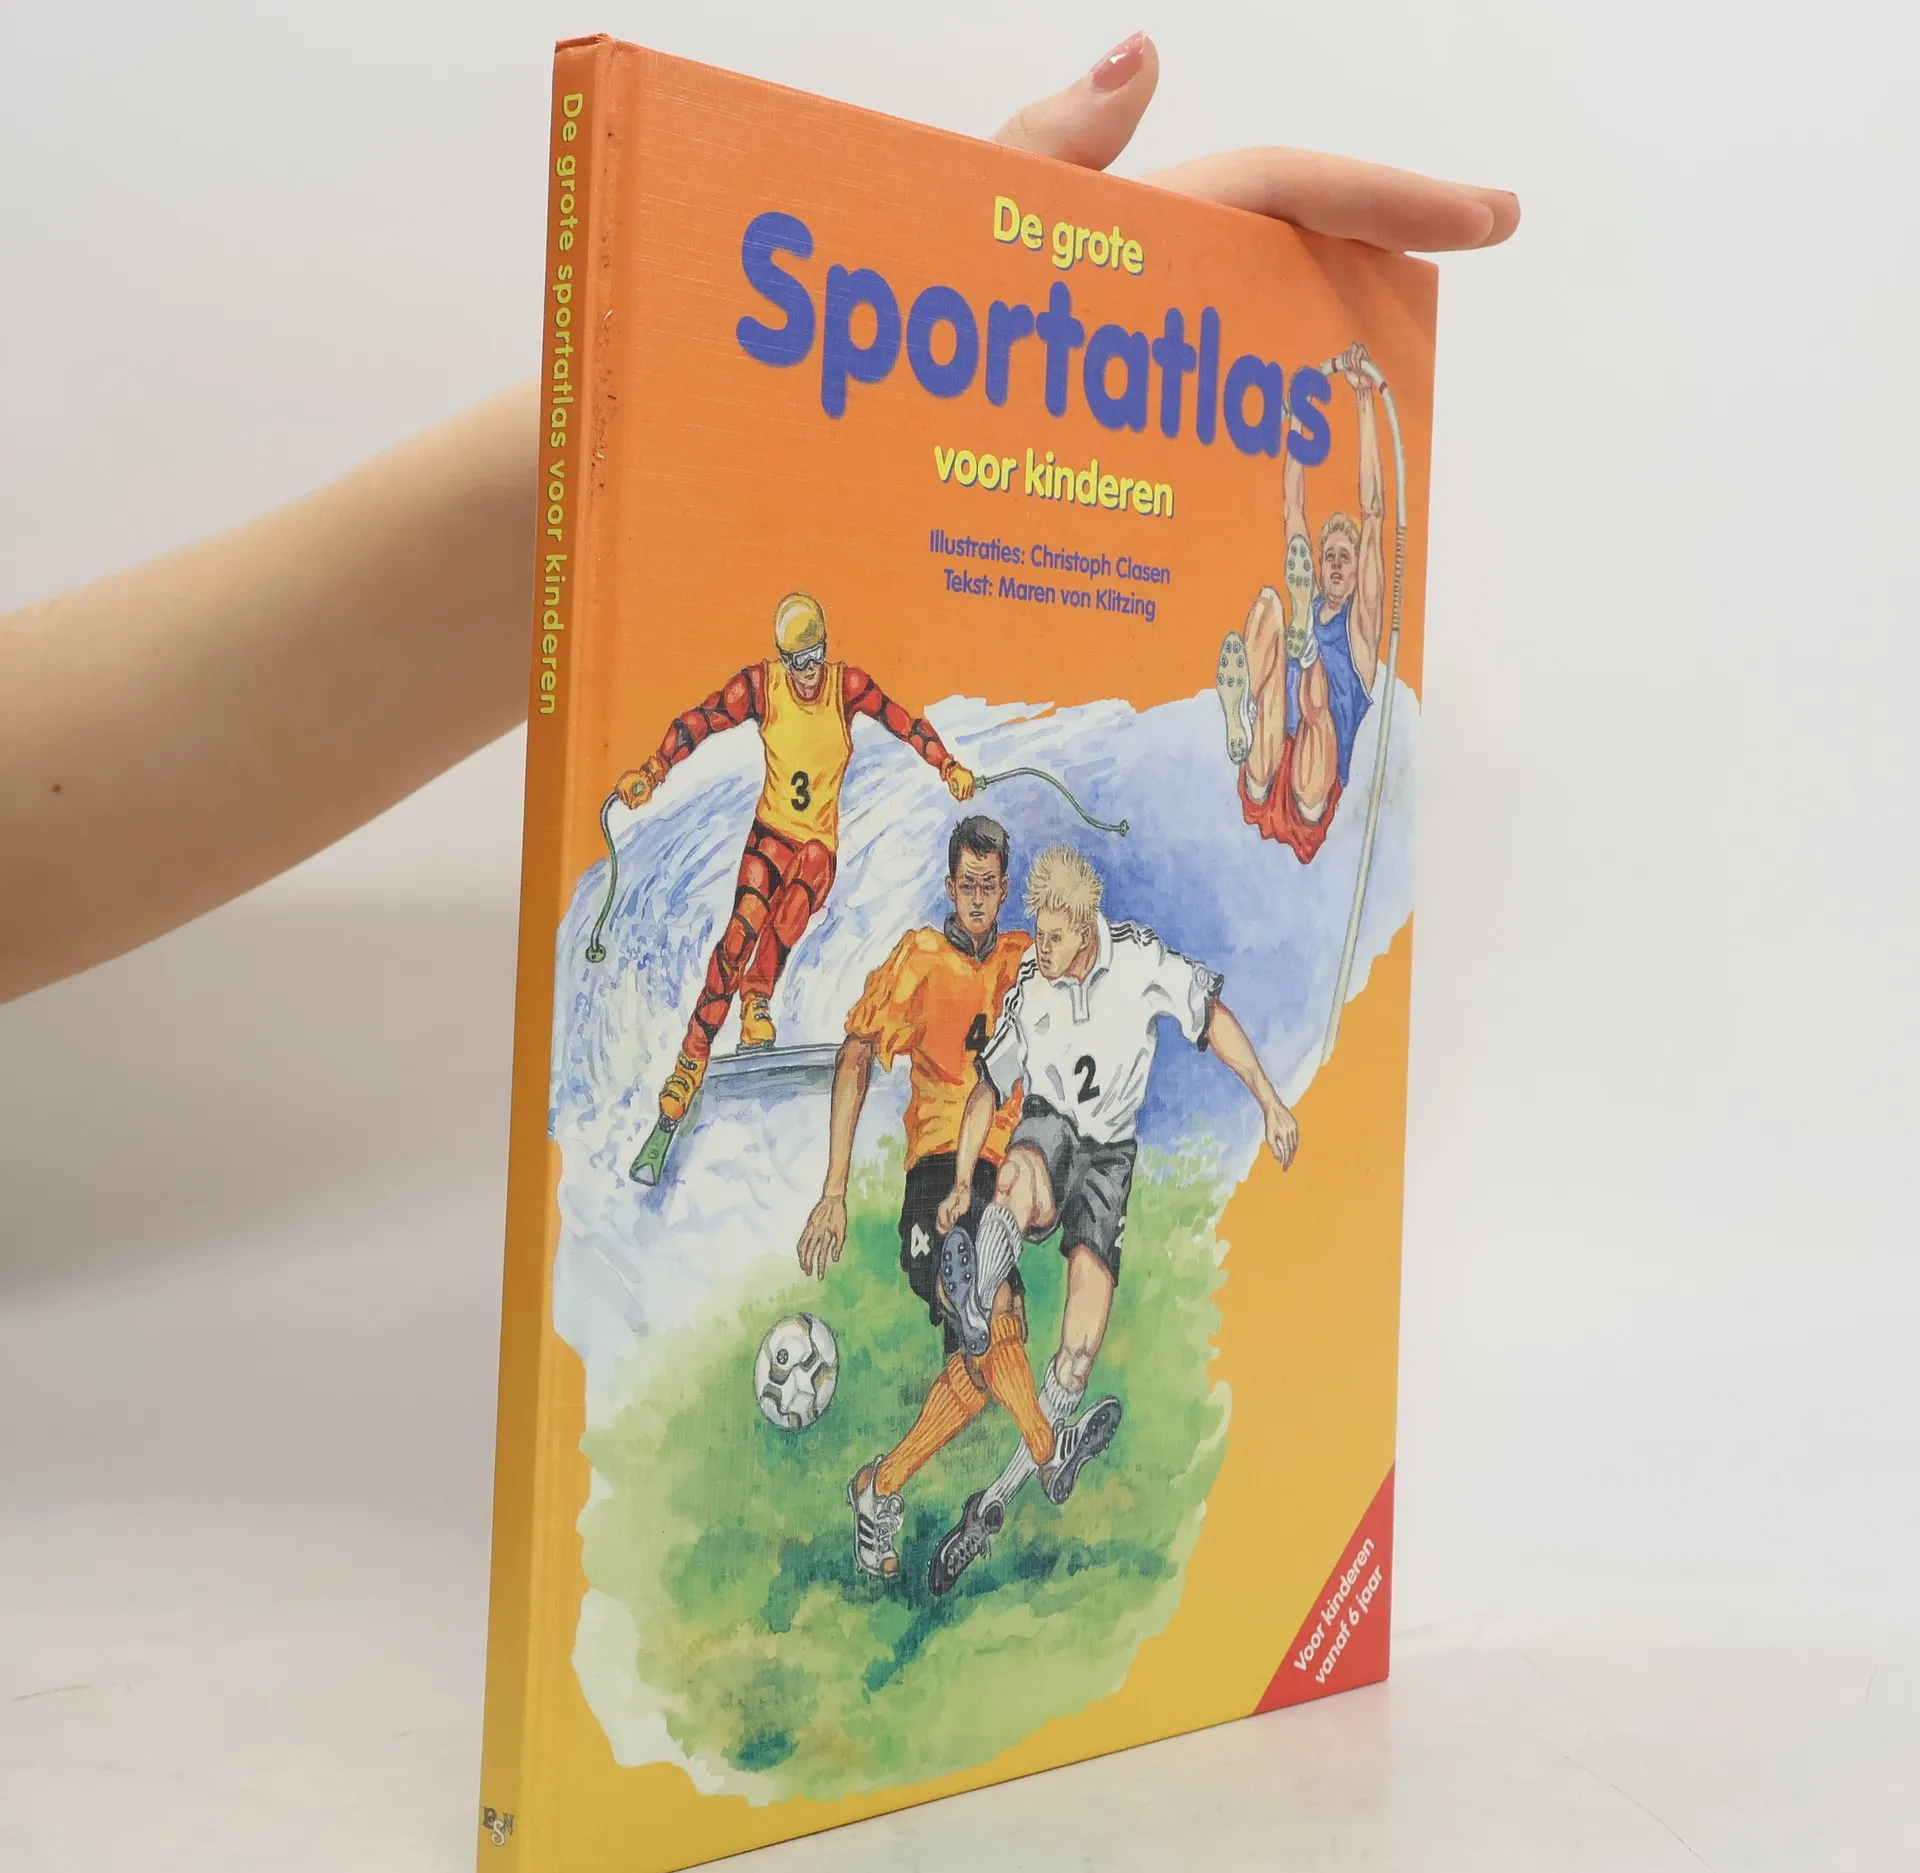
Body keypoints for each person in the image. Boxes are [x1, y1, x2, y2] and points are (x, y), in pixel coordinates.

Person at [0, 36, 1518, 1009]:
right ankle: (712, 1053)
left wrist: (700, 436)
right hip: (802, 850)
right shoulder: (792, 699)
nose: (799, 669)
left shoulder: (847, 695)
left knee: (790, 938)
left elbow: (891, 719)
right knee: (748, 956)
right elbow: (715, 725)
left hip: (1162, 795)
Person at [926, 843, 1300, 1593]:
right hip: (1049, 1131)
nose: (1040, 948)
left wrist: (1269, 1100)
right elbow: (988, 1089)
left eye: (1053, 936)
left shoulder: (1138, 961)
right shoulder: (1032, 987)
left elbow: (1212, 1018)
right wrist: (964, 1180)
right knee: (1020, 1177)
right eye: (1036, 934)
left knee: (1077, 1354)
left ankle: (993, 1504)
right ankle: (976, 1298)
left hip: (1108, 1164)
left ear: (1084, 925)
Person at [613, 592, 974, 1185]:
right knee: (736, 940)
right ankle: (684, 1073)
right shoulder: (762, 687)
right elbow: (700, 721)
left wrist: (947, 765)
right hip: (769, 837)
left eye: (814, 658)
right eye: (796, 662)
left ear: (825, 650)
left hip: (815, 849)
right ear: (782, 659)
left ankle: (758, 998)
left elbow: (903, 722)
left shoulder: (846, 687)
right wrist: (653, 770)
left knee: (793, 907)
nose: (807, 674)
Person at [793, 815, 1054, 1580]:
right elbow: (856, 1053)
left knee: (980, 1373)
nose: (976, 899)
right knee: (984, 1306)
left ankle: (879, 1488)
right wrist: (833, 1191)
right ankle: (1049, 1446)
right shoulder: (920, 960)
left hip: (1002, 1179)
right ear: (949, 886)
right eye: (965, 885)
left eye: (988, 887)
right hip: (939, 1174)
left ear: (1004, 890)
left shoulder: (1024, 960)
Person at [1216, 341, 1387, 861]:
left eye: (1343, 558)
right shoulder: (1305, 598)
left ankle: (1306, 655)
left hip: (1314, 784)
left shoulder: (1362, 631)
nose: (1334, 564)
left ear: (1356, 572)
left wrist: (1363, 400)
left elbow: (1373, 514)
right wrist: (1295, 419)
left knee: (1314, 698)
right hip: (1269, 758)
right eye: (1327, 555)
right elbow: (1293, 507)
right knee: (1271, 604)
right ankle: (1242, 714)